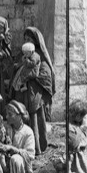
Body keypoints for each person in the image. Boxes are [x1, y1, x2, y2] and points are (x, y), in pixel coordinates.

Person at [10, 27, 55, 156]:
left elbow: (45, 75)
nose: (27, 41)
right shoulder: (22, 55)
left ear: (35, 41)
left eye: (29, 39)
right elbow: (17, 67)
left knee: (34, 118)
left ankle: (37, 147)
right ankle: (20, 147)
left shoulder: (39, 56)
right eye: (25, 39)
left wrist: (30, 76)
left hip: (34, 93)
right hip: (22, 93)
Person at [0, 100, 36, 173]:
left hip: (20, 168)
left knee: (15, 158)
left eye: (10, 114)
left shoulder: (28, 132)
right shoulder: (6, 127)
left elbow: (30, 155)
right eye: (7, 114)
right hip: (5, 163)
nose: (7, 116)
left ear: (19, 116)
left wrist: (13, 149)